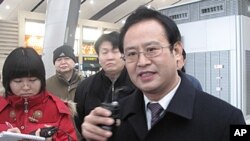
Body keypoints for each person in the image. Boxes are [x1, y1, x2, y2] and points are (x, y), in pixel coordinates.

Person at [81, 6, 246, 141]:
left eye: (152, 49)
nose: (142, 62)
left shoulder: (228, 119)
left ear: (177, 52)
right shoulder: (114, 120)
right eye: (131, 54)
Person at [0, 47, 78, 141]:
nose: (25, 87)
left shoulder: (57, 109)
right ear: (7, 82)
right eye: (18, 81)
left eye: (32, 80)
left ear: (41, 80)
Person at [74, 31, 136, 138]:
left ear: (124, 54)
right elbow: (80, 121)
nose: (110, 57)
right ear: (98, 56)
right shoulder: (84, 87)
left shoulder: (138, 83)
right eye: (104, 52)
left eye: (115, 51)